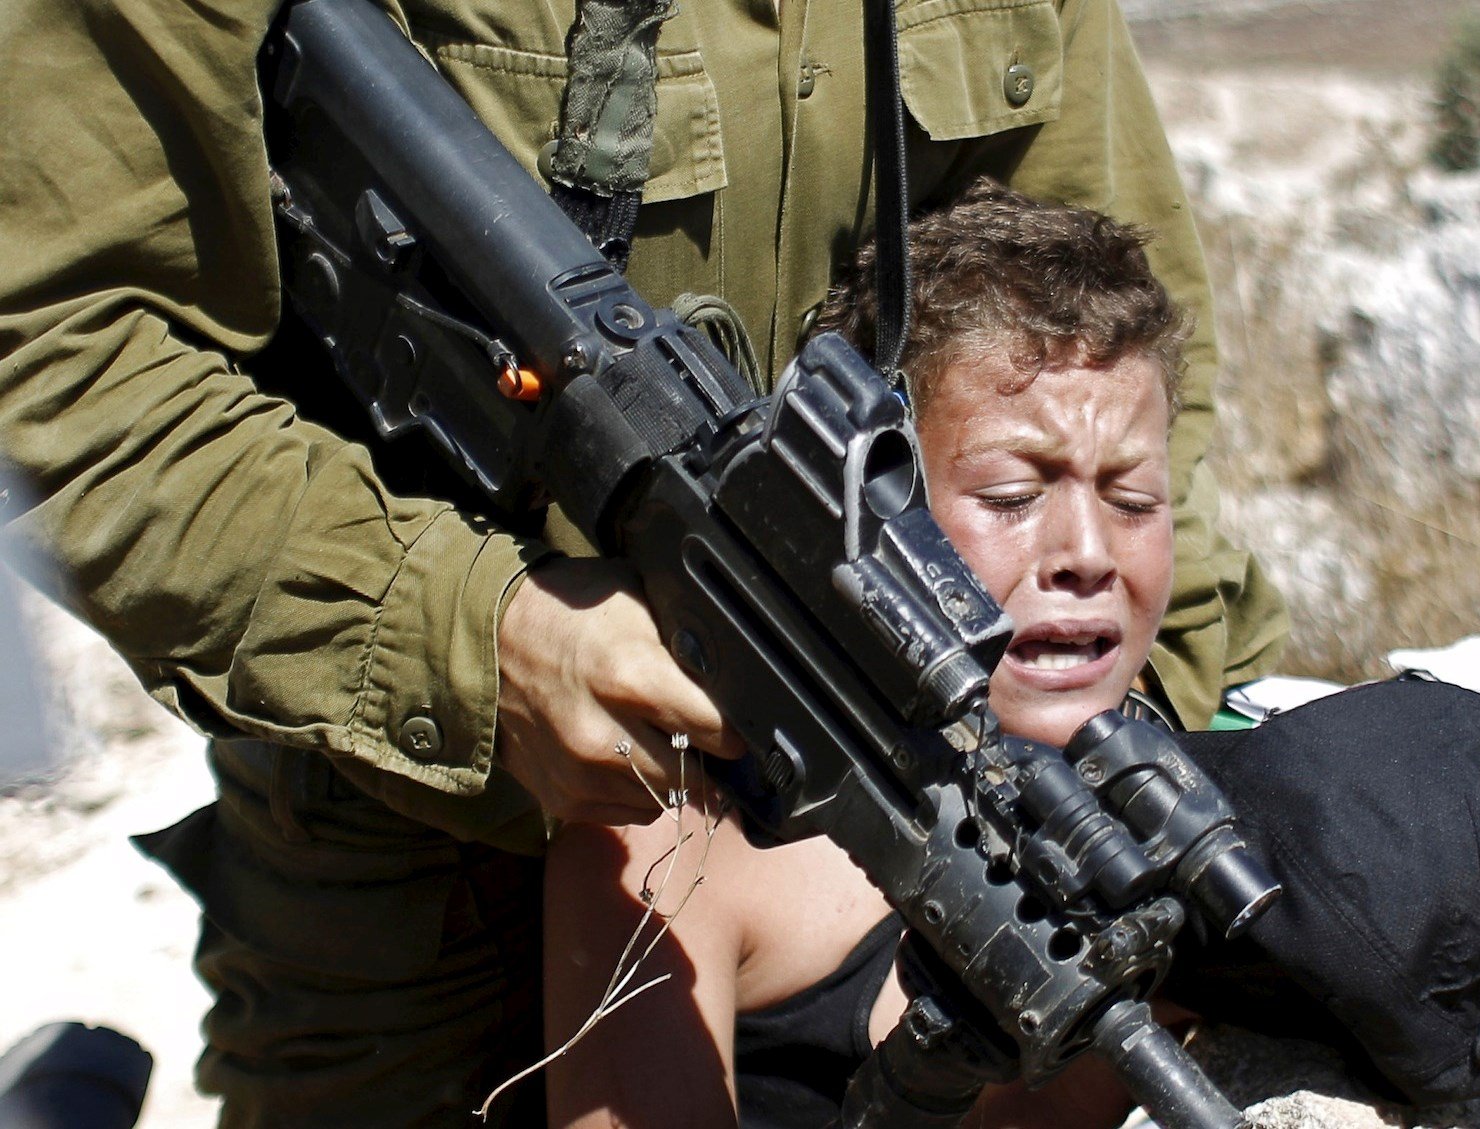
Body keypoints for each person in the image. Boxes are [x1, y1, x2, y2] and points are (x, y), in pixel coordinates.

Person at [0, 2, 1286, 1126]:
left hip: (896, 807)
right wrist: (476, 636)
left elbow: (1120, 338)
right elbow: (51, 343)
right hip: (405, 848)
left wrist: (1107, 754)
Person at [543, 182, 1480, 1129]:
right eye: (1013, 492)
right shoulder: (685, 842)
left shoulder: (1214, 766)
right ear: (872, 507)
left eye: (1134, 498)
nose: (1087, 552)